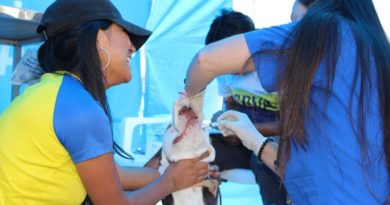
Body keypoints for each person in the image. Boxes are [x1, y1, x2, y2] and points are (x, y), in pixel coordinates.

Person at [0, 0, 210, 204]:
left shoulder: (56, 93)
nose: (132, 48)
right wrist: (170, 181)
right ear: (98, 39)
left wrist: (183, 172)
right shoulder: (80, 108)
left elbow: (114, 175)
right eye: (125, 34)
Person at [182, 0, 390, 204]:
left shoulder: (322, 33)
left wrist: (189, 100)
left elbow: (205, 60)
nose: (292, 30)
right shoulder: (373, 49)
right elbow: (302, 170)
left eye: (297, 22)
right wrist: (253, 139)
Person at [205, 9, 287, 205]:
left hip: (275, 147)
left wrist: (248, 131)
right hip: (242, 145)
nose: (227, 67)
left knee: (263, 159)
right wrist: (224, 122)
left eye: (229, 57)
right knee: (200, 152)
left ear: (250, 46)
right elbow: (230, 107)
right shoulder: (225, 73)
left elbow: (290, 126)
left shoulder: (279, 69)